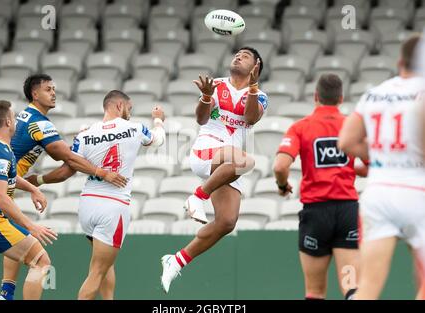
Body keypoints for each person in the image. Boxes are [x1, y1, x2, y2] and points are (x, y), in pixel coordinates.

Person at [0, 74, 127, 300]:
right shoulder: (39, 123)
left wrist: (37, 181)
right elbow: (69, 160)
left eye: (54, 88)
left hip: (0, 186)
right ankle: (6, 294)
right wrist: (99, 170)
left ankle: (6, 294)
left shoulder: (26, 117)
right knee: (39, 260)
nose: (54, 92)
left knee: (12, 240)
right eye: (48, 89)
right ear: (34, 94)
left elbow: (67, 157)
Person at [34, 90, 165, 299]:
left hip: (87, 205)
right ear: (119, 106)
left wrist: (39, 180)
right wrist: (158, 120)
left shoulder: (85, 134)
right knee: (97, 272)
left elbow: (66, 171)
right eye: (129, 109)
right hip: (113, 206)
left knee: (104, 265)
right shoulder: (134, 128)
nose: (130, 113)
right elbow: (158, 140)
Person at [160, 47, 268, 293]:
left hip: (228, 164)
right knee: (247, 162)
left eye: (246, 56)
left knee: (227, 222)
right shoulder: (216, 85)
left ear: (256, 66)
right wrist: (206, 97)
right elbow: (201, 119)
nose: (238, 56)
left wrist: (252, 87)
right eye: (237, 53)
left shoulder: (260, 95)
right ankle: (198, 196)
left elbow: (251, 118)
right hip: (206, 151)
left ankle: (176, 260)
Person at [339, 34, 425, 300]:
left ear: (400, 61)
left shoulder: (374, 93)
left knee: (368, 287)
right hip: (417, 191)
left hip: (378, 193)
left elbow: (346, 142)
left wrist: (381, 155)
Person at [273, 74, 366, 300]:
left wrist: (283, 185)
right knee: (351, 287)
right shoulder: (351, 126)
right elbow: (370, 165)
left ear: (316, 97)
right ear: (341, 98)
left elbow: (279, 166)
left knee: (315, 291)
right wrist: (346, 168)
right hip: (347, 213)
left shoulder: (300, 127)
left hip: (316, 214)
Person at [0, 100, 57, 299]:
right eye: (14, 117)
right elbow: (0, 197)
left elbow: (7, 177)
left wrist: (31, 189)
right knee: (41, 262)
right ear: (8, 122)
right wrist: (31, 226)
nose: (17, 122)